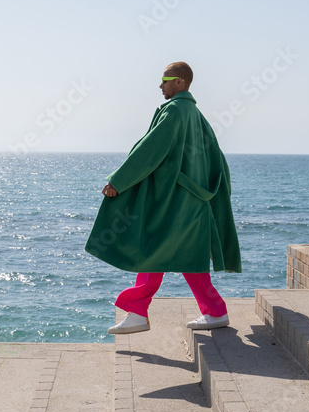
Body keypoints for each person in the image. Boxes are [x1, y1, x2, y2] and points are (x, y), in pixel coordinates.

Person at [85, 61, 241, 334]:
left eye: (165, 79)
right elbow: (218, 159)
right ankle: (214, 311)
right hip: (191, 202)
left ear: (180, 81)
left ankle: (138, 314)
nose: (161, 85)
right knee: (187, 257)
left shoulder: (175, 112)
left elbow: (150, 151)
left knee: (151, 252)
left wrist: (118, 181)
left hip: (173, 202)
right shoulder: (195, 113)